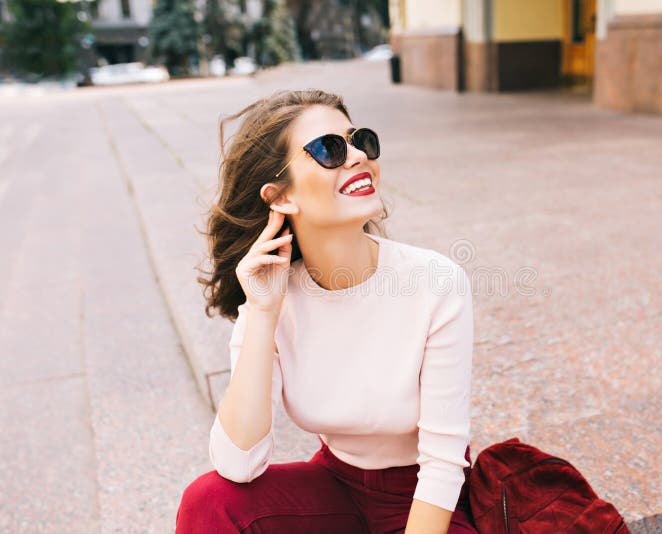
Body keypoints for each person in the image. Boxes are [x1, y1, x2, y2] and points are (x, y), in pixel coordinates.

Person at [178, 89, 477, 533]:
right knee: (210, 501)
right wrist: (261, 313)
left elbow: (443, 463)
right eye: (329, 149)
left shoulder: (435, 281)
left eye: (361, 141)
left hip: (424, 500)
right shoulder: (271, 298)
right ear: (281, 197)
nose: (357, 156)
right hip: (334, 486)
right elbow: (239, 464)